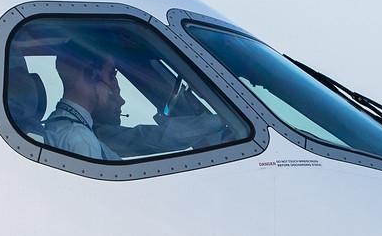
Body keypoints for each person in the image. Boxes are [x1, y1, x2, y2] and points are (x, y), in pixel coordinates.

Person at [38, 32, 240, 163]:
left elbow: (145, 138)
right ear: (91, 73)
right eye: (112, 76)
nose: (116, 89)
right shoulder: (80, 139)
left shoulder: (69, 129)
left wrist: (218, 121)